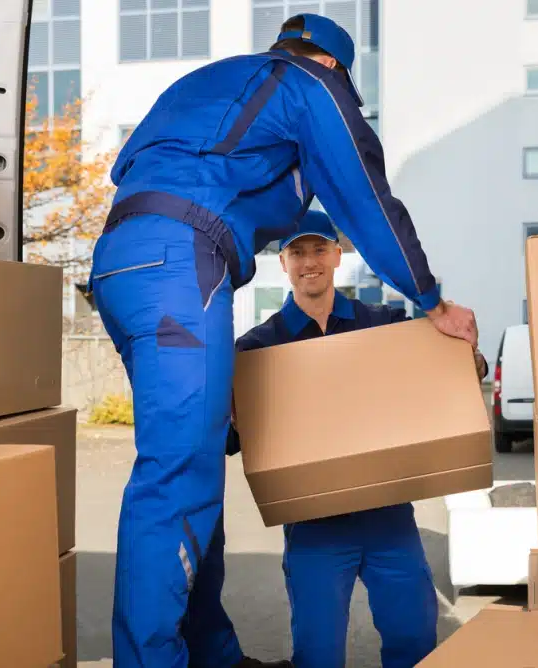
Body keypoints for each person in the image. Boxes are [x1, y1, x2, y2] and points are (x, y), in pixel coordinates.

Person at [87, 12, 480, 668]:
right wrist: (429, 298)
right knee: (177, 476)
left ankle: (211, 653)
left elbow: (197, 183)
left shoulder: (217, 85)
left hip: (123, 264)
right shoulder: (308, 85)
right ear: (334, 68)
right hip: (182, 262)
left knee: (191, 460)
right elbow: (365, 194)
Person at [226, 211, 489, 668]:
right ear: (283, 262)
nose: (310, 262)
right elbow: (231, 439)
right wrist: (227, 413)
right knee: (317, 655)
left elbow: (443, 375)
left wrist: (471, 359)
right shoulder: (257, 350)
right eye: (298, 252)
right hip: (315, 528)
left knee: (415, 642)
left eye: (319, 249)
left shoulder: (382, 324)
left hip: (389, 519)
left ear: (337, 255)